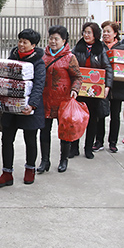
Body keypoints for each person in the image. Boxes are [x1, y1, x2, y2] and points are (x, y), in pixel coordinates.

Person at [0, 29, 45, 187]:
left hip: (28, 108)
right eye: (20, 40)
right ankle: (7, 173)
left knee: (30, 139)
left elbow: (39, 84)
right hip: (9, 106)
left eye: (25, 42)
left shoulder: (38, 62)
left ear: (33, 45)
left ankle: (30, 169)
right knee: (6, 139)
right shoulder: (12, 57)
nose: (21, 44)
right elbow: (1, 78)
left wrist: (32, 104)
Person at [39, 25, 82, 173]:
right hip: (45, 100)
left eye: (56, 39)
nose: (52, 41)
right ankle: (45, 161)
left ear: (64, 40)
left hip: (63, 101)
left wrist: (75, 90)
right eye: (51, 38)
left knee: (64, 131)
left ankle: (64, 160)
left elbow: (77, 77)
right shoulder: (43, 56)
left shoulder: (70, 57)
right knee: (44, 131)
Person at [71, 22, 113, 159]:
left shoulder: (101, 49)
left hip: (94, 91)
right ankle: (74, 147)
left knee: (92, 120)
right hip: (79, 90)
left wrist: (107, 86)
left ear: (95, 34)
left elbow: (108, 68)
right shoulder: (77, 48)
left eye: (89, 32)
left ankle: (88, 148)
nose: (86, 35)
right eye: (84, 32)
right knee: (76, 119)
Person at [94, 21, 124, 153]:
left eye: (108, 31)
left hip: (119, 86)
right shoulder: (99, 47)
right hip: (102, 85)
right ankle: (99, 141)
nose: (106, 34)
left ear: (115, 33)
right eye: (104, 31)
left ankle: (113, 142)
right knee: (100, 114)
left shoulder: (123, 48)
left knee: (116, 115)